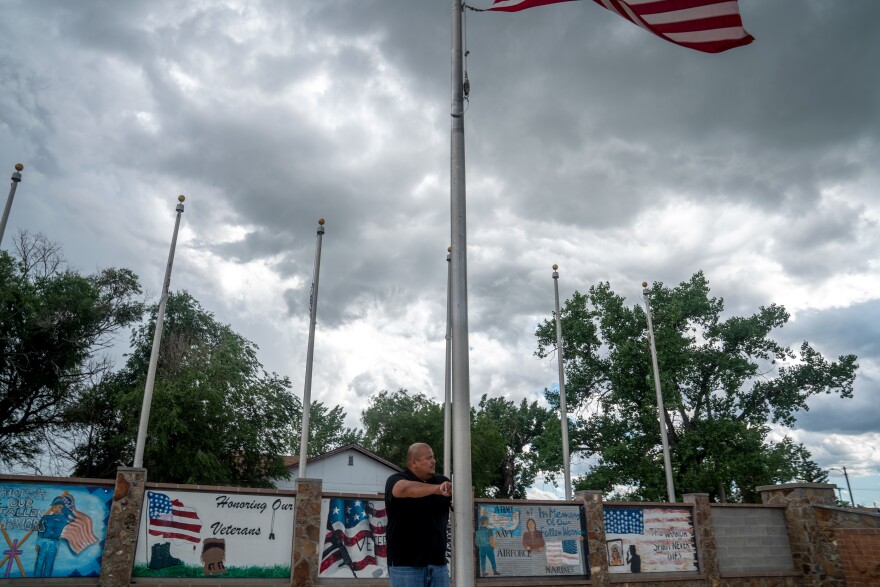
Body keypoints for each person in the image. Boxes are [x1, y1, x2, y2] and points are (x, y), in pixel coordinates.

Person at [385, 443, 452, 586]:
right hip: (405, 566)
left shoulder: (442, 481)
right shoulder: (396, 479)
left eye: (433, 457)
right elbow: (403, 489)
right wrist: (437, 489)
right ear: (414, 462)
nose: (433, 461)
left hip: (438, 565)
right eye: (428, 458)